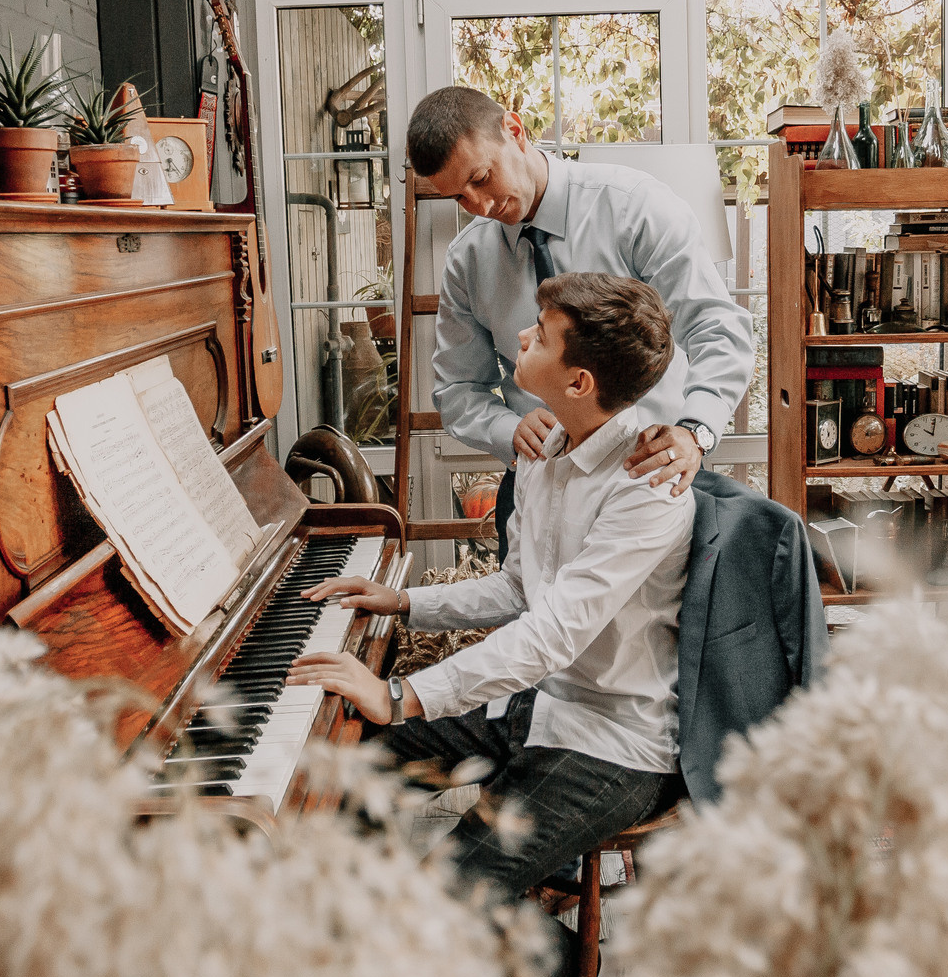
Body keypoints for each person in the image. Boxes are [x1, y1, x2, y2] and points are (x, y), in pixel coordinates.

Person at [292, 272, 693, 899]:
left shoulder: (648, 487)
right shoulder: (546, 449)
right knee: (347, 761)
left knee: (451, 895)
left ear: (579, 383)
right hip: (544, 706)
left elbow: (552, 635)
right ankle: (348, 916)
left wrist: (401, 695)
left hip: (616, 743)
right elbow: (517, 590)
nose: (523, 335)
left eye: (542, 335)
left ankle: (483, 944)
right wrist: (404, 602)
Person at [406, 86, 753, 544]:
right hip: (536, 487)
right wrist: (508, 428)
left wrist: (694, 431)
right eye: (460, 198)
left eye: (483, 177)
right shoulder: (467, 259)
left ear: (514, 131)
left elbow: (717, 328)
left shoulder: (635, 206)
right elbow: (456, 389)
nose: (482, 206)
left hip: (650, 478)